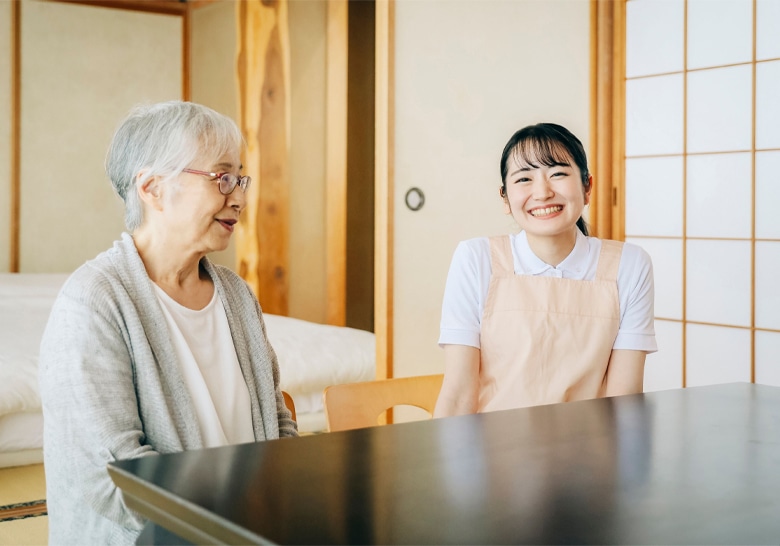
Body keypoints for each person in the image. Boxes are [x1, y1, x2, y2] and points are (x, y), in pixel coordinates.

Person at [39, 100, 298, 545]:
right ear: (153, 188)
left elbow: (277, 423)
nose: (238, 197)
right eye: (221, 178)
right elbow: (114, 477)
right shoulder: (93, 301)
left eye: (239, 178)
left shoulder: (236, 295)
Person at [433, 123, 656, 417]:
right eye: (524, 178)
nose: (542, 192)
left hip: (591, 453)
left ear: (587, 187)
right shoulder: (476, 259)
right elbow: (459, 395)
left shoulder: (629, 264)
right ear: (505, 198)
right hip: (493, 454)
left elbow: (624, 401)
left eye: (558, 174)